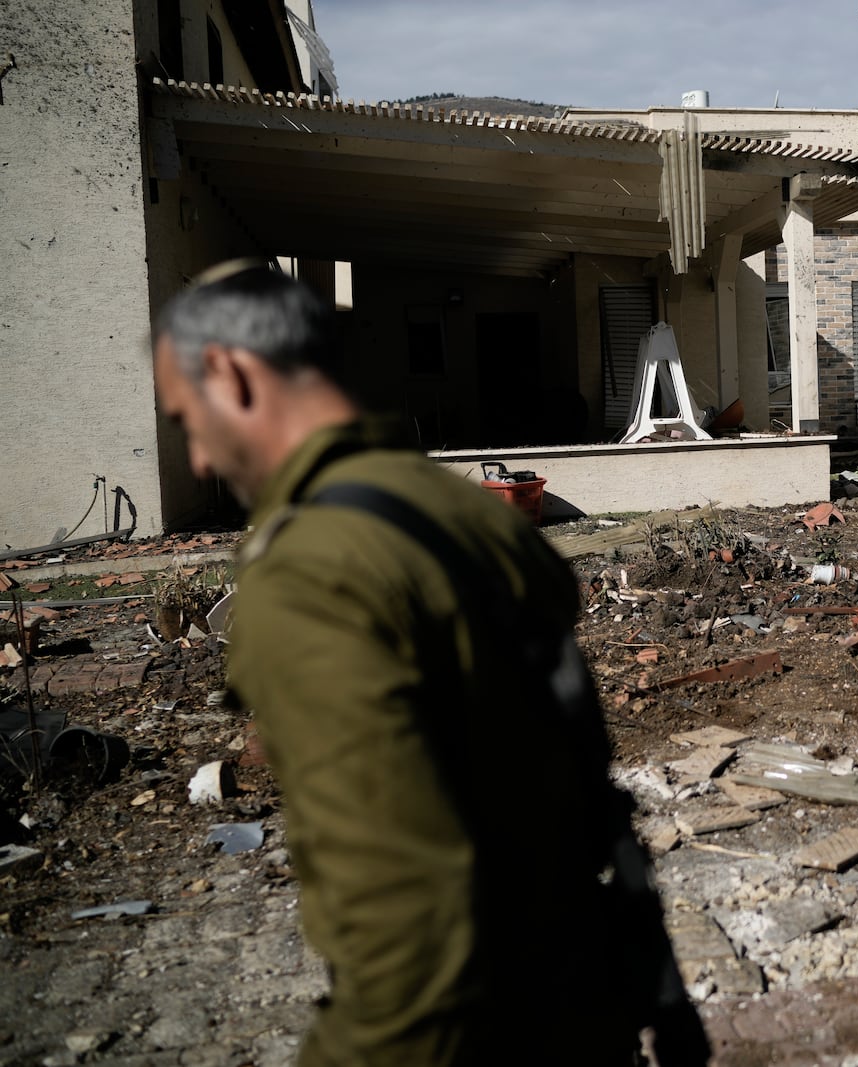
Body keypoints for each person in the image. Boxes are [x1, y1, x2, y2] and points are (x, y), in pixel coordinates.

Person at [151, 262, 708, 1066]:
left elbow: (406, 936)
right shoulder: (467, 514)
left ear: (232, 374)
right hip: (585, 997)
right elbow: (590, 789)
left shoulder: (309, 574)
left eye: (186, 419)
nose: (198, 458)